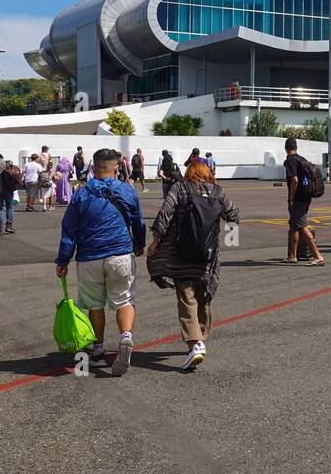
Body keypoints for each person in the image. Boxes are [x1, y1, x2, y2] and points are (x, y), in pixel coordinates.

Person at [56, 148, 145, 376]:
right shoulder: (127, 190)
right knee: (124, 299)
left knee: (95, 304)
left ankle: (97, 349)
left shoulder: (81, 194)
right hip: (120, 253)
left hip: (89, 257)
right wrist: (140, 243)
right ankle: (126, 337)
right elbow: (138, 222)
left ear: (93, 168)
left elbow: (69, 230)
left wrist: (63, 259)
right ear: (117, 167)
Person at [146, 161, 240, 372]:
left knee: (186, 297)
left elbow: (165, 215)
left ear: (189, 173)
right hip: (207, 255)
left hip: (181, 254)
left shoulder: (180, 188)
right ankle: (201, 335)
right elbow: (233, 214)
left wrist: (154, 244)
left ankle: (194, 343)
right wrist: (230, 239)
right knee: (203, 294)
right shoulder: (217, 191)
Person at [284, 137, 324, 265]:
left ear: (286, 148)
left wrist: (290, 198)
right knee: (294, 226)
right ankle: (292, 256)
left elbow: (294, 180)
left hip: (298, 199)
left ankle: (317, 255)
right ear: (296, 147)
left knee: (302, 227)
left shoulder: (290, 160)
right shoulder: (302, 159)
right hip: (306, 197)